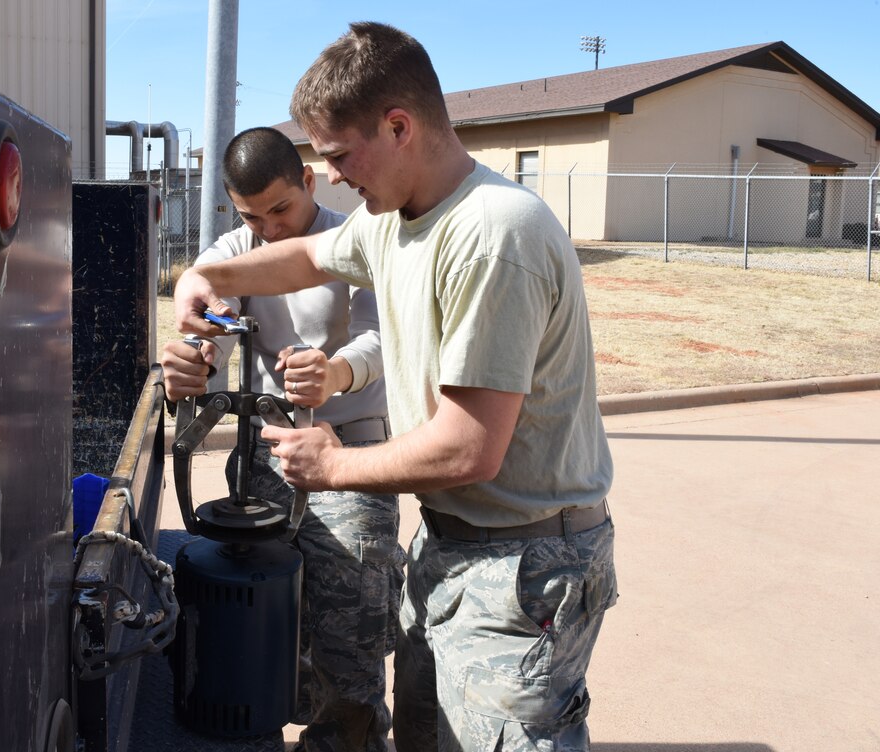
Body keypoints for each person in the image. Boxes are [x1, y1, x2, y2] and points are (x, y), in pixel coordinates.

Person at [172, 23, 618, 752]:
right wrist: (202, 278)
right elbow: (303, 256)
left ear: (399, 125)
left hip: (525, 566)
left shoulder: (493, 234)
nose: (338, 177)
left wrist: (333, 465)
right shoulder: (394, 223)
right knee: (418, 734)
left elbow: (471, 447)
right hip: (452, 544)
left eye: (342, 155)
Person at [161, 126, 404, 752]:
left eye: (280, 209)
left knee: (348, 645)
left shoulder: (356, 239)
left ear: (309, 182)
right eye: (250, 216)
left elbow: (383, 340)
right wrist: (190, 358)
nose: (268, 229)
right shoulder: (237, 248)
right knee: (264, 634)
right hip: (267, 455)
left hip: (349, 451)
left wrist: (336, 371)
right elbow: (206, 316)